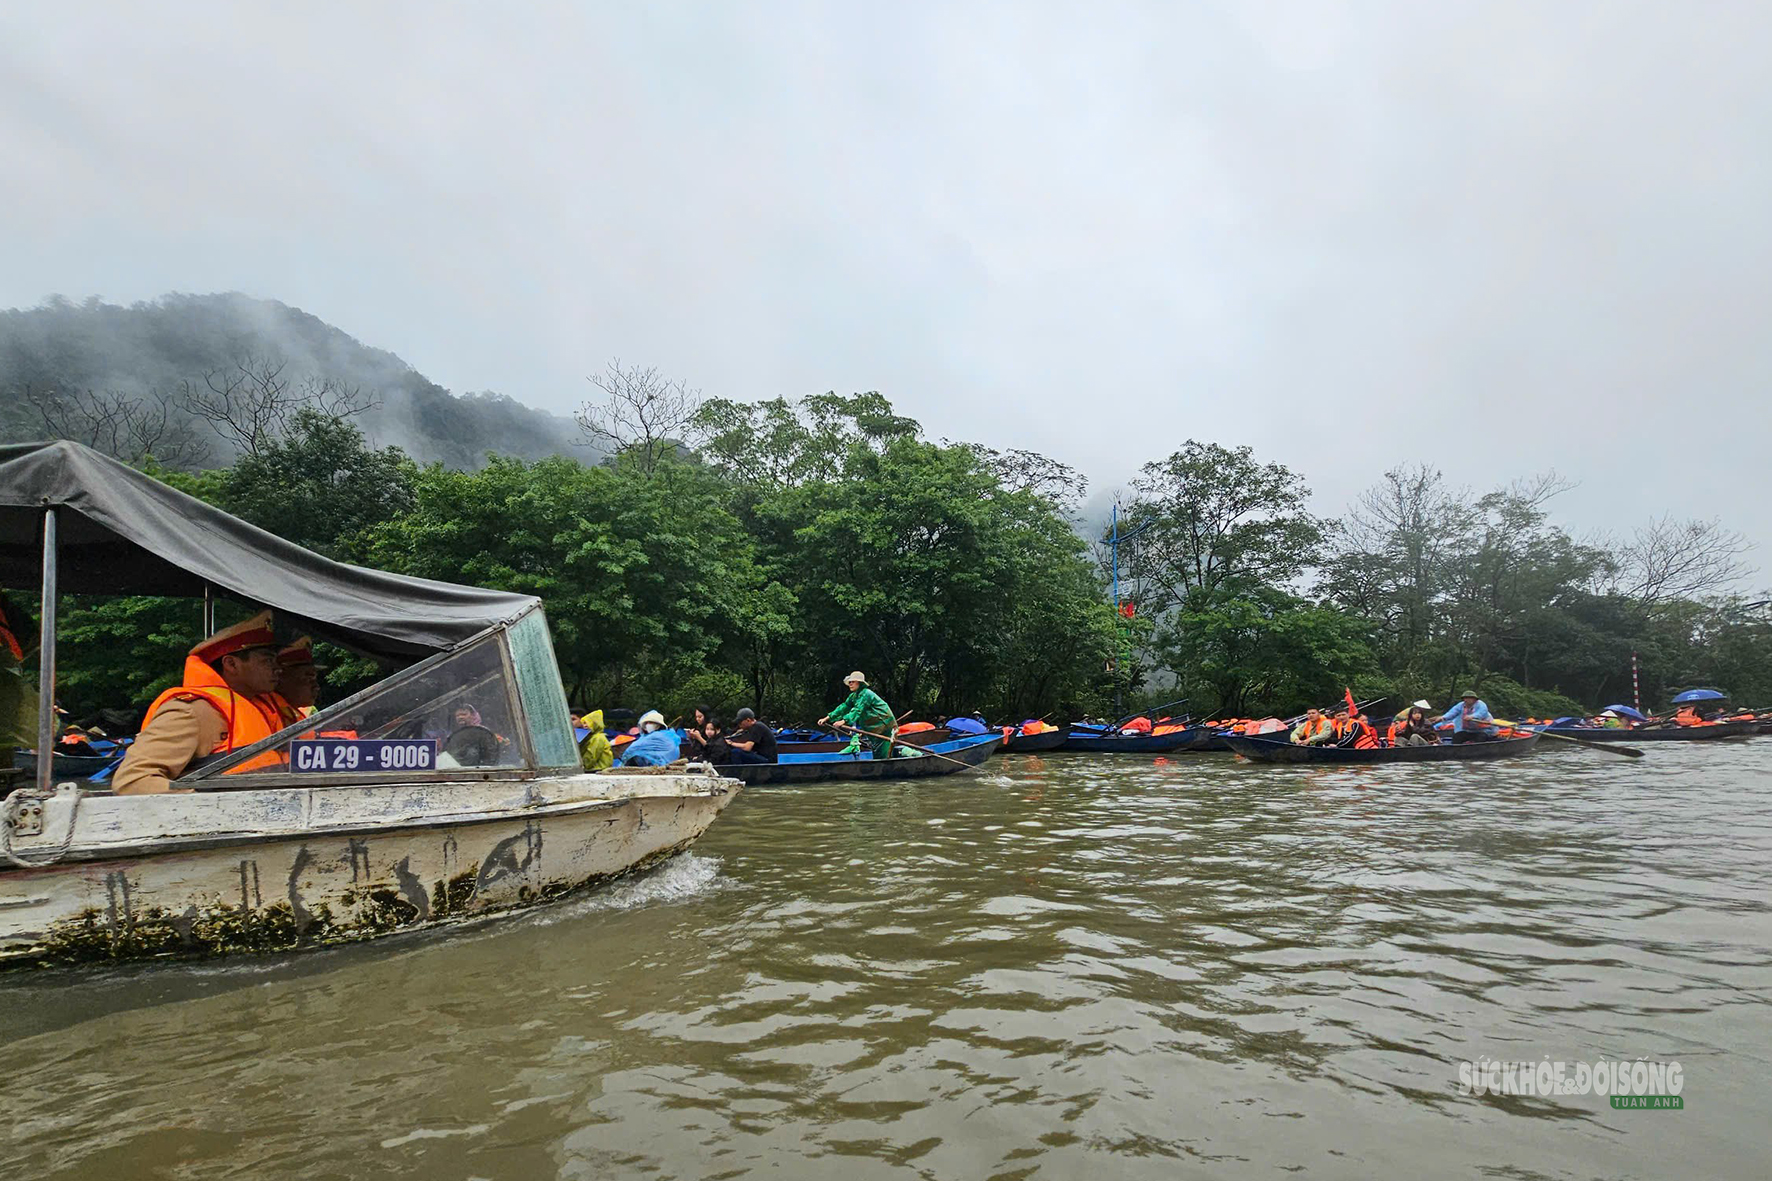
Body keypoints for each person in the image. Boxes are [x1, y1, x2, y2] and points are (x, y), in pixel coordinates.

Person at [114, 611, 285, 794]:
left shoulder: (261, 708)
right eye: (268, 660)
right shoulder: (193, 710)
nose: (278, 668)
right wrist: (212, 808)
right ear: (231, 664)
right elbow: (132, 781)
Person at [819, 671, 897, 758]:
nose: (850, 684)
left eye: (853, 682)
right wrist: (827, 718)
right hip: (873, 728)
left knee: (883, 752)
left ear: (859, 683)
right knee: (877, 751)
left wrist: (843, 721)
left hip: (884, 725)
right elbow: (844, 707)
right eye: (850, 682)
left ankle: (885, 767)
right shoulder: (854, 696)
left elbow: (858, 710)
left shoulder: (866, 694)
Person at [265, 636, 322, 728]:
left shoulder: (288, 713)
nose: (316, 687)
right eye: (309, 678)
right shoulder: (267, 712)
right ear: (281, 676)